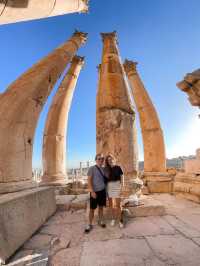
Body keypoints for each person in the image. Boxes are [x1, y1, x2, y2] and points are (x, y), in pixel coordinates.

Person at [84, 153, 107, 233]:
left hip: (102, 191)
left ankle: (100, 221)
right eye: (99, 158)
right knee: (92, 209)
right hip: (95, 192)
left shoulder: (104, 169)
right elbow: (89, 180)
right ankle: (89, 224)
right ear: (96, 160)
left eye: (102, 159)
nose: (101, 160)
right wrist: (92, 191)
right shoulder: (92, 168)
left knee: (101, 208)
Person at [105, 154, 124, 228]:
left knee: (118, 205)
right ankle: (113, 218)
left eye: (111, 159)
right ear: (107, 161)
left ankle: (120, 220)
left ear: (114, 159)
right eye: (108, 160)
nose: (110, 161)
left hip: (117, 186)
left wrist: (122, 187)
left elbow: (122, 177)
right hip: (109, 187)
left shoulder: (118, 167)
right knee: (111, 205)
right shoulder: (107, 169)